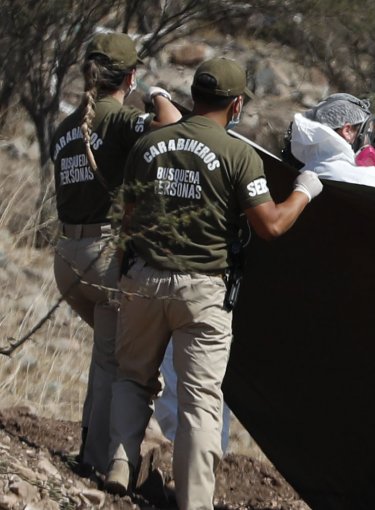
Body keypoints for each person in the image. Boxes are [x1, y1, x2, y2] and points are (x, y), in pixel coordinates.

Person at [104, 57, 323, 510]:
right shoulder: (238, 154)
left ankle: (119, 467)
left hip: (144, 278)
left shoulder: (149, 145)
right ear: (236, 103)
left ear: (194, 96)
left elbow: (128, 217)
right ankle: (195, 501)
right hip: (202, 291)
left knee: (132, 377)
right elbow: (271, 226)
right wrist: (304, 190)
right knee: (200, 400)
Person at [50, 32, 180, 474]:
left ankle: (92, 445)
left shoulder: (65, 127)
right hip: (103, 257)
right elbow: (170, 122)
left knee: (104, 354)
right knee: (113, 361)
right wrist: (156, 93)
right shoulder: (119, 119)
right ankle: (100, 460)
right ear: (129, 75)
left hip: (66, 257)